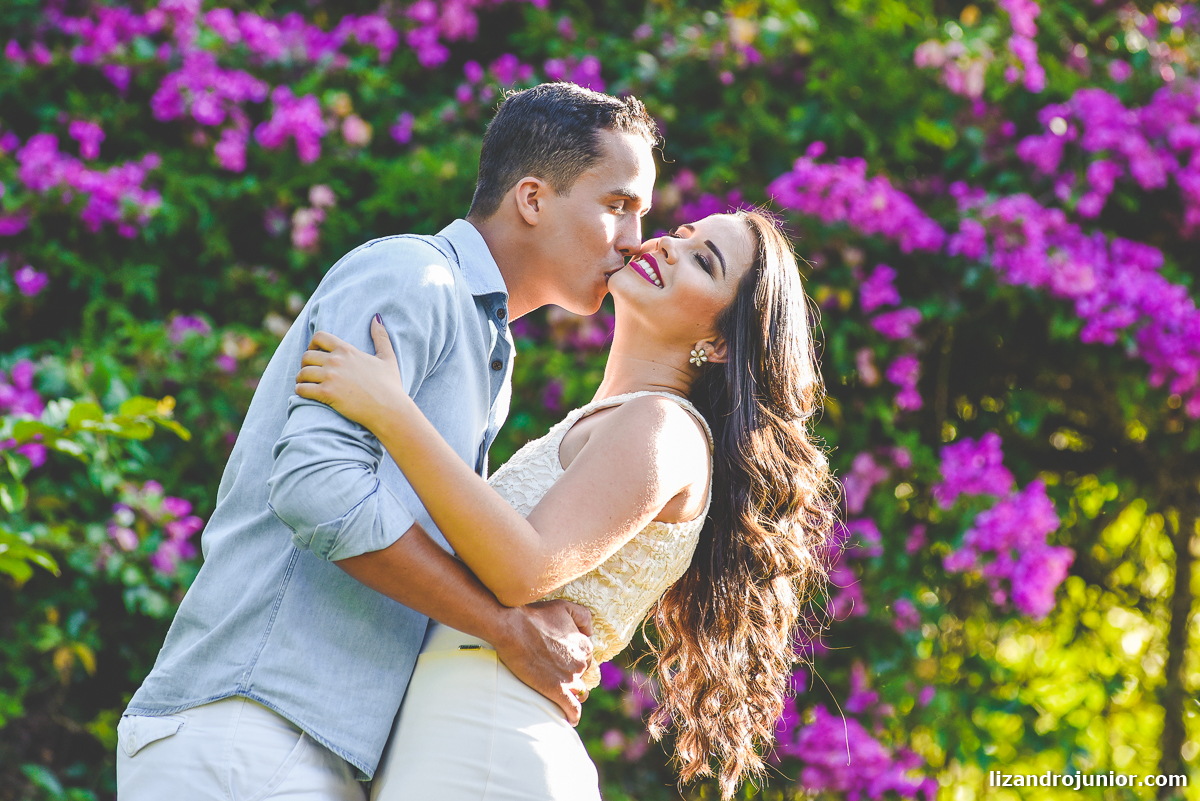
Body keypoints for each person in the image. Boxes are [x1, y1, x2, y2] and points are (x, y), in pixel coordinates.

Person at [116, 83, 660, 800]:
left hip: (313, 750)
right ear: (532, 198)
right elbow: (318, 487)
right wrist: (505, 628)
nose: (634, 238)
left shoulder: (488, 347)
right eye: (618, 204)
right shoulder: (414, 277)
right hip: (250, 728)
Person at [295, 209, 837, 800]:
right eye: (682, 234)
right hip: (453, 727)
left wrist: (390, 410)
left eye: (703, 262)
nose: (668, 246)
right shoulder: (610, 419)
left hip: (488, 741)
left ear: (719, 343)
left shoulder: (664, 425)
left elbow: (523, 567)